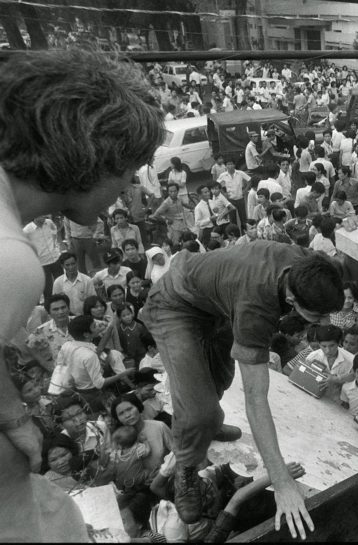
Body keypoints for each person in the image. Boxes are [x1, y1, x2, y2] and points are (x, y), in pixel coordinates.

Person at [0, 49, 163, 541]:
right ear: (95, 154)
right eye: (132, 167)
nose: (132, 184)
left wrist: (12, 414)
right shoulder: (12, 261)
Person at [141, 240, 358, 537]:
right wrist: (282, 482)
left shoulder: (310, 265)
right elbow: (256, 399)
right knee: (197, 411)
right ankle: (186, 467)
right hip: (174, 305)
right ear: (292, 298)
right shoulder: (256, 307)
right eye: (317, 317)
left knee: (219, 379)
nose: (325, 323)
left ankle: (210, 426)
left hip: (216, 303)